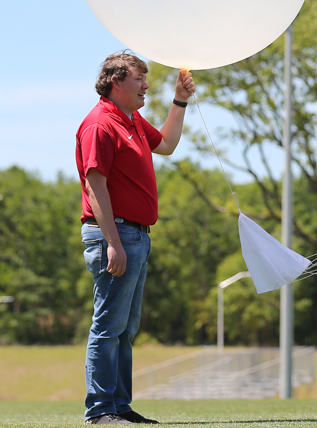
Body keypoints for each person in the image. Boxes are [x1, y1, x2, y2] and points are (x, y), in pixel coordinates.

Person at [77, 52, 195, 425]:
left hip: (136, 236)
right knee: (108, 326)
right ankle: (100, 411)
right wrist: (113, 243)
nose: (146, 85)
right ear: (116, 82)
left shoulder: (131, 120)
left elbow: (168, 145)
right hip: (115, 235)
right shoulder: (101, 124)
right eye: (139, 79)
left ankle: (120, 407)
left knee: (125, 329)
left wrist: (180, 100)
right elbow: (95, 187)